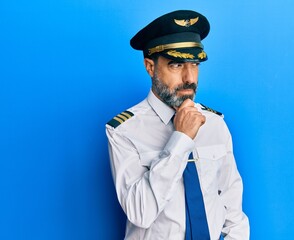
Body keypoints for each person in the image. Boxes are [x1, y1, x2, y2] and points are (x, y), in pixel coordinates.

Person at [106, 10, 250, 240]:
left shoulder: (215, 123)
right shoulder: (123, 131)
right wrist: (181, 139)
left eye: (194, 64)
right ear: (150, 67)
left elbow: (233, 208)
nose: (189, 78)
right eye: (176, 65)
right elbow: (140, 213)